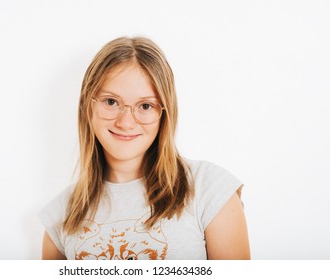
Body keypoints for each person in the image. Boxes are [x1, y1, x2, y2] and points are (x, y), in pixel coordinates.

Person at [39, 36, 250, 260]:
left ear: (164, 113)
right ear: (87, 105)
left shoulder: (211, 190)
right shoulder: (61, 216)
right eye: (111, 102)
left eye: (145, 106)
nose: (126, 122)